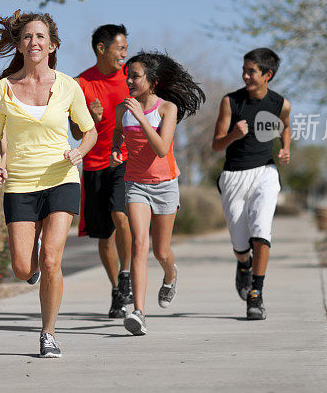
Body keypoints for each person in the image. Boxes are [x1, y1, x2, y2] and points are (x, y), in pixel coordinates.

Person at [0, 10, 97, 358]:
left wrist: (79, 151)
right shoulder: (3, 89)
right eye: (27, 37)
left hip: (61, 179)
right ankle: (34, 274)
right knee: (22, 267)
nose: (34, 42)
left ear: (52, 44)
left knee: (51, 260)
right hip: (19, 183)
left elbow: (89, 130)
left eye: (40, 37)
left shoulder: (68, 86)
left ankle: (48, 333)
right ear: (20, 45)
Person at [110, 52, 205, 335]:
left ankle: (170, 274)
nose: (129, 81)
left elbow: (162, 148)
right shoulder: (123, 109)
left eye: (135, 76)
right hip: (135, 183)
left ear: (153, 81)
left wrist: (140, 117)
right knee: (139, 244)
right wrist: (117, 150)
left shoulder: (167, 109)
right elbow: (118, 133)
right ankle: (138, 313)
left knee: (161, 250)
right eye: (128, 75)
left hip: (164, 185)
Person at [211, 47, 291, 320]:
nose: (244, 75)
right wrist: (233, 134)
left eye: (251, 72)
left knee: (261, 230)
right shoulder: (230, 102)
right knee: (239, 242)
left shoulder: (280, 103)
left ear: (268, 75)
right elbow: (215, 145)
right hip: (233, 176)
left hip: (265, 173)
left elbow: (286, 125)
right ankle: (243, 265)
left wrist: (285, 148)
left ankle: (256, 294)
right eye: (244, 70)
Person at [70, 24, 134, 318]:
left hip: (122, 160)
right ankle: (117, 291)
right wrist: (90, 119)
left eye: (125, 48)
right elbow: (74, 131)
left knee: (121, 216)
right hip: (93, 165)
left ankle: (126, 275)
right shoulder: (81, 83)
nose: (125, 54)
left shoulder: (131, 79)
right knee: (104, 236)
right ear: (101, 49)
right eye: (120, 48)